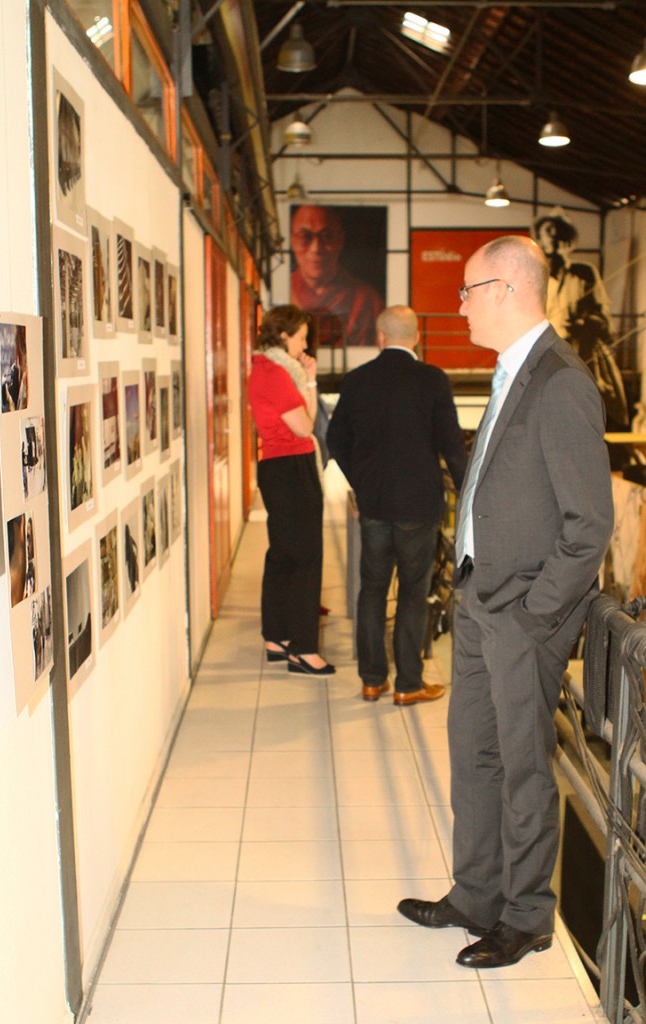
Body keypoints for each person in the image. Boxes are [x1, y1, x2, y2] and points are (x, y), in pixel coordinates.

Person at [397, 236, 613, 969]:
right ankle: (476, 894)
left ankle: (526, 916)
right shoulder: (510, 374)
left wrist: (534, 614)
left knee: (522, 767)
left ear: (508, 289)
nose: (457, 305)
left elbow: (590, 528)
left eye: (466, 290)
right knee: (474, 755)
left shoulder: (561, 384)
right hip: (481, 598)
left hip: (524, 613)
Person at [327, 305, 466, 704]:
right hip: (419, 506)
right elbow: (452, 447)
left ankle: (372, 680)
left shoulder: (357, 381)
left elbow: (337, 440)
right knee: (412, 591)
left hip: (374, 506)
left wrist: (362, 484)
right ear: (417, 336)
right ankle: (408, 684)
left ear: (380, 336)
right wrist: (469, 492)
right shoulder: (432, 380)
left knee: (371, 591)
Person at [248, 305, 335, 676]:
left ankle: (277, 636)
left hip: (280, 466)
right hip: (291, 468)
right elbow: (305, 427)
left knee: (283, 554)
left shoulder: (279, 370)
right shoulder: (275, 372)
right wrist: (307, 385)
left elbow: (309, 417)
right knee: (306, 558)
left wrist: (311, 380)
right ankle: (303, 649)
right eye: (301, 336)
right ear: (283, 336)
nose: (305, 343)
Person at [533, 211, 629, 433]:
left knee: (597, 405)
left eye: (559, 235)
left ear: (569, 242)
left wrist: (584, 324)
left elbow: (603, 319)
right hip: (545, 354)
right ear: (539, 239)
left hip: (582, 352)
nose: (553, 240)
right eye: (547, 234)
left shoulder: (584, 273)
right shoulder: (534, 276)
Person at [290, 205, 383, 347]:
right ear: (292, 241)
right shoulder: (286, 290)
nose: (316, 248)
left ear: (340, 240)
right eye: (305, 237)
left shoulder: (366, 299)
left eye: (326, 236)